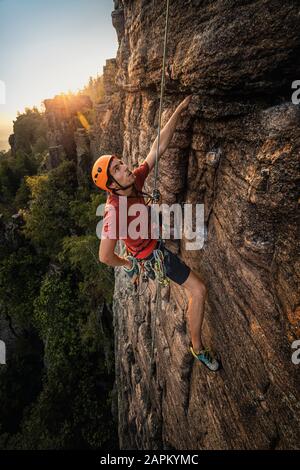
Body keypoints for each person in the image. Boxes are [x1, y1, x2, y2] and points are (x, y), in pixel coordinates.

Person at [91, 95, 220, 372]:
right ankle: (197, 349)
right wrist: (129, 263)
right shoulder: (114, 211)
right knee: (199, 290)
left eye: (121, 163)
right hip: (152, 255)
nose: (125, 167)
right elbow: (104, 255)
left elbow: (156, 147)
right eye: (117, 169)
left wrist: (179, 111)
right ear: (111, 185)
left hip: (148, 237)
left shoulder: (134, 180)